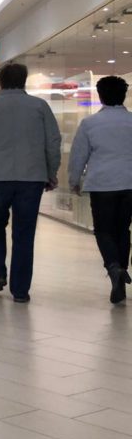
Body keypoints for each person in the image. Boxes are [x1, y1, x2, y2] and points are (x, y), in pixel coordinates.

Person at [0, 62, 61, 303]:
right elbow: (53, 142)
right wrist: (51, 172)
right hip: (31, 178)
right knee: (24, 232)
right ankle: (20, 290)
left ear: (1, 82)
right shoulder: (40, 107)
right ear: (24, 80)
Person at [67, 76, 132, 304]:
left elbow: (78, 156)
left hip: (102, 185)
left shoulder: (90, 124)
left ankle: (113, 267)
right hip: (129, 184)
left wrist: (74, 181)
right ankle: (121, 271)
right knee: (123, 230)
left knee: (103, 230)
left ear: (101, 96)